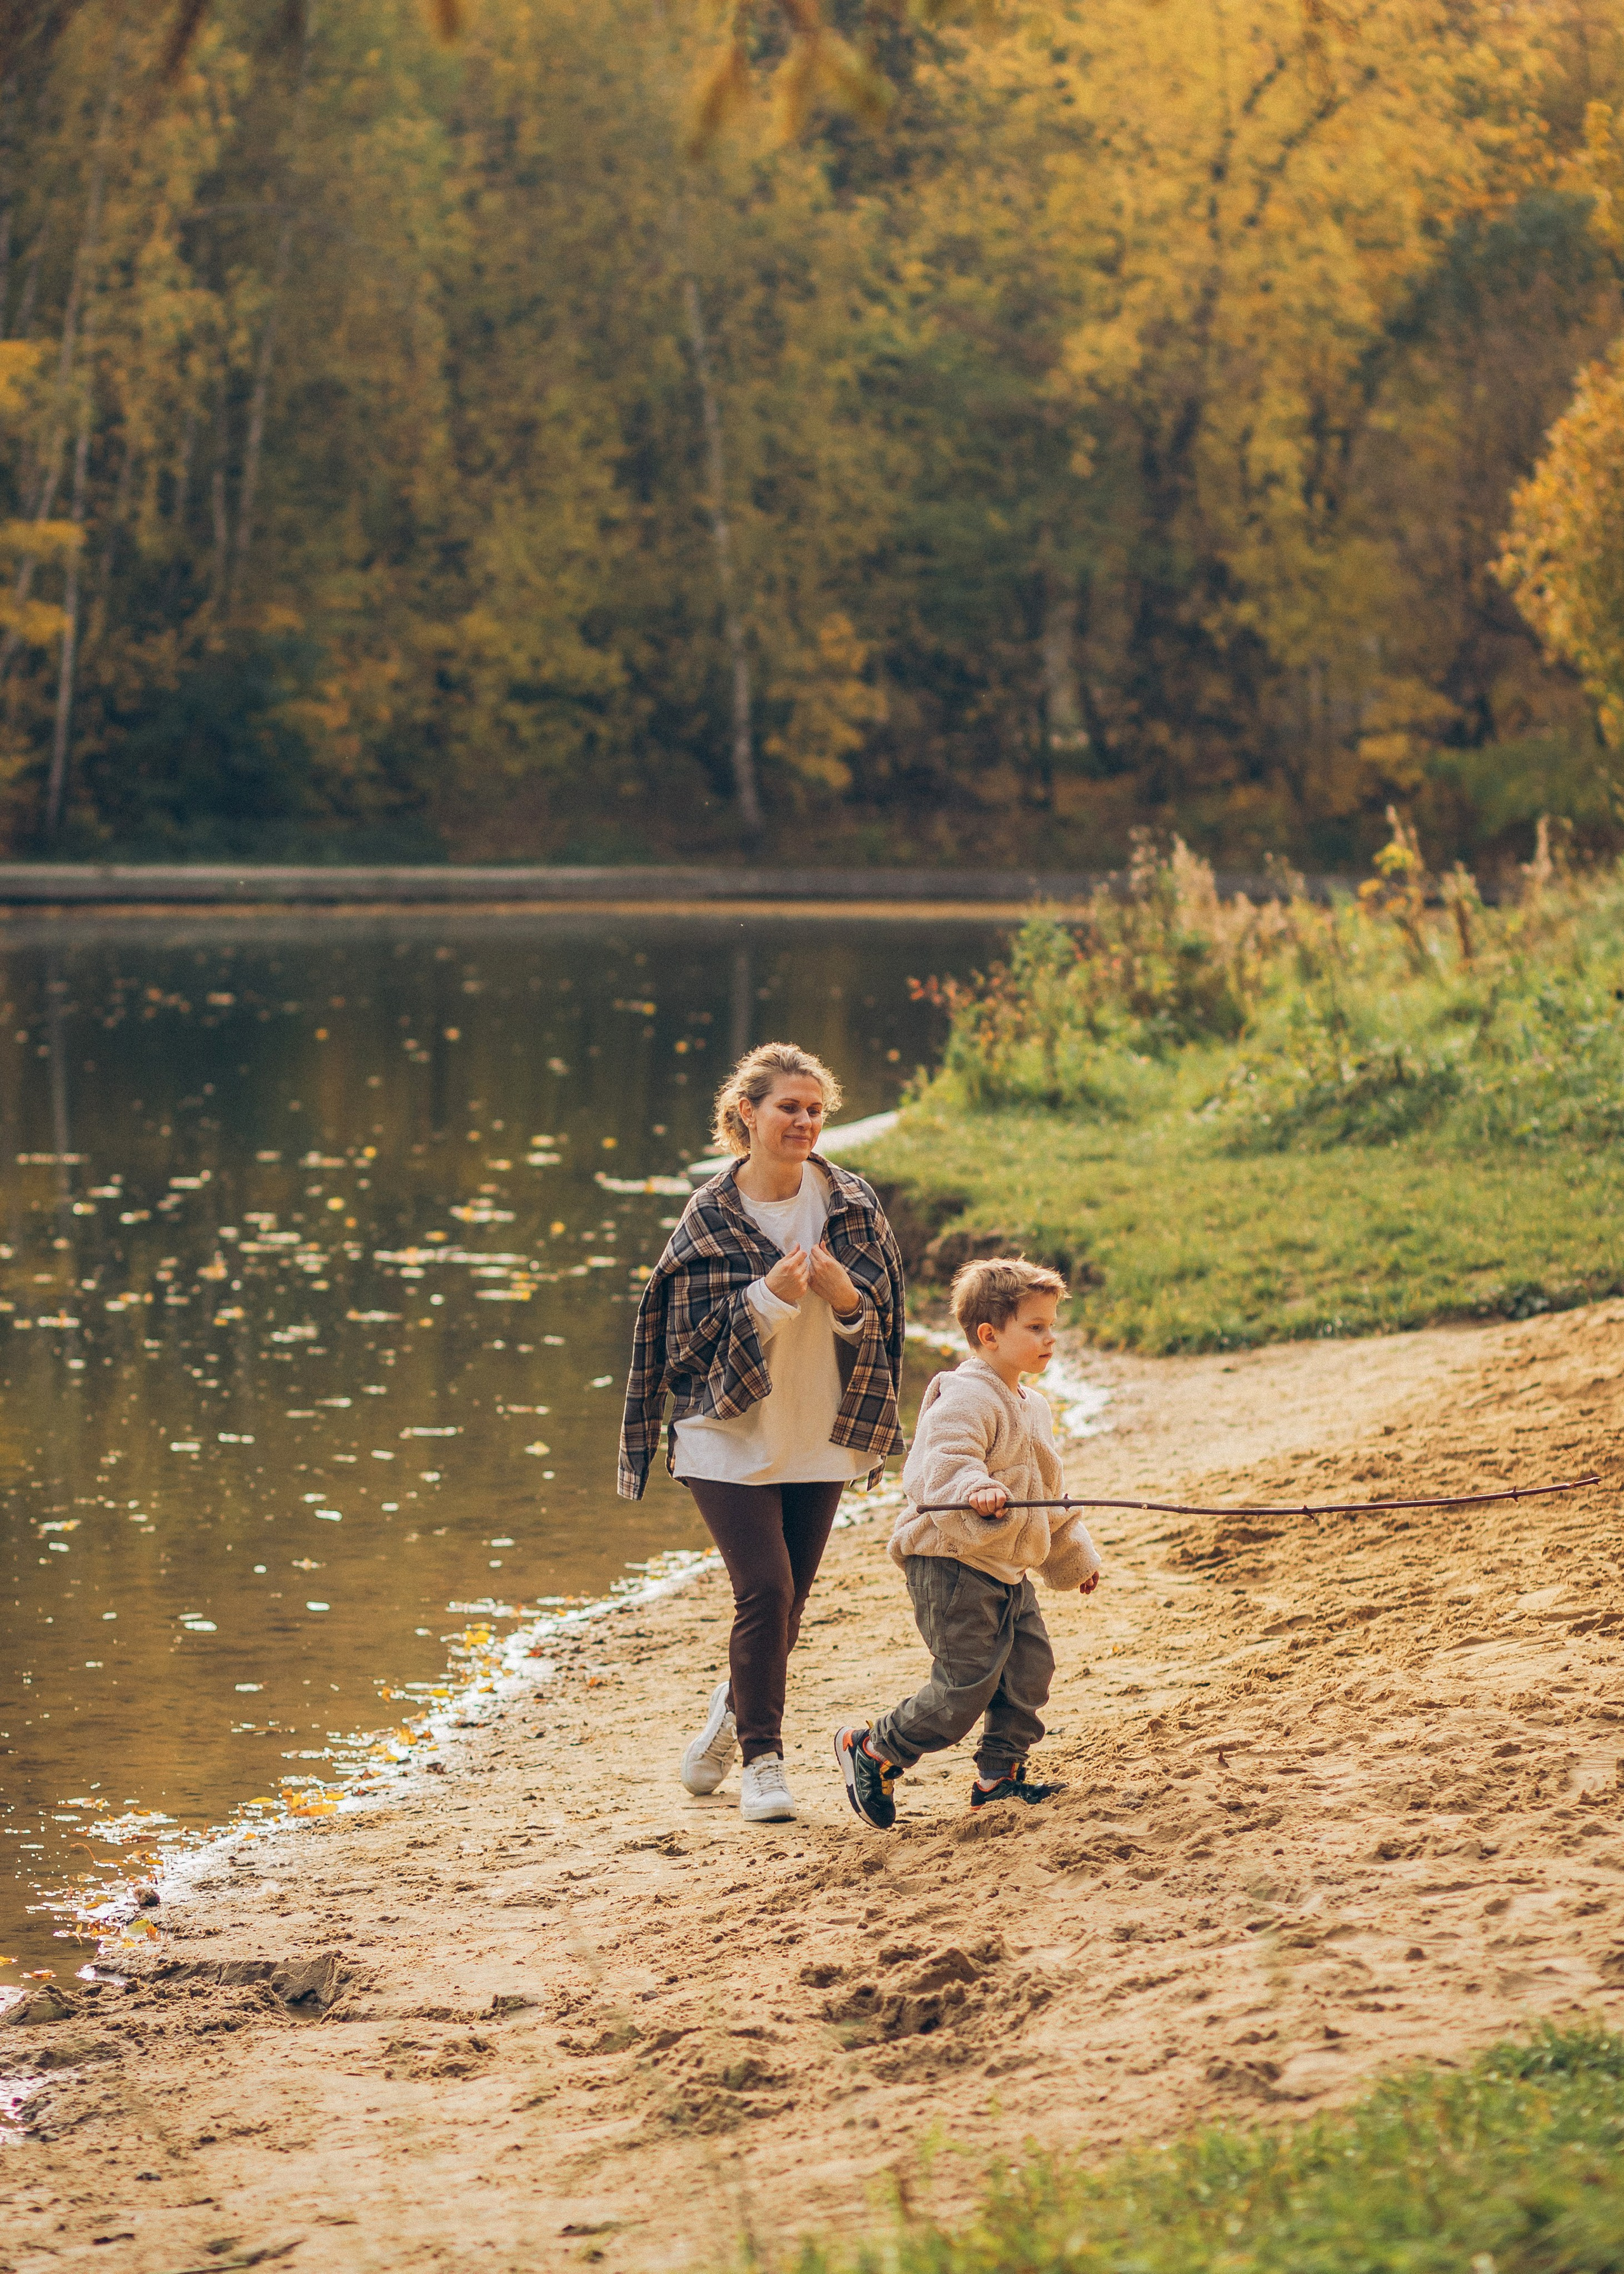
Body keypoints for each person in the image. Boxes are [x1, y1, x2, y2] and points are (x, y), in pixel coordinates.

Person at [618, 1042, 907, 1824]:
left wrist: (847, 1299)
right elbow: (681, 1344)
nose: (804, 1122)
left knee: (787, 1609)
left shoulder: (850, 1202)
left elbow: (881, 1321)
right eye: (789, 1108)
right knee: (765, 1590)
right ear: (748, 1113)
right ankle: (762, 1764)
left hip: (820, 1428)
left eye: (815, 1110)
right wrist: (766, 1298)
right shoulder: (710, 1214)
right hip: (722, 1431)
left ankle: (731, 1712)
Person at [834, 1255, 1101, 1829]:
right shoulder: (964, 1397)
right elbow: (943, 1465)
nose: (1050, 1338)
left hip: (1007, 1569)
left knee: (1029, 1671)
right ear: (989, 1334)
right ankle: (873, 1748)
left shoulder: (1034, 1406)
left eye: (1052, 1325)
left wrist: (1074, 1555)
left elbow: (1047, 1494)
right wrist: (973, 1488)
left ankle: (998, 1778)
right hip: (951, 1564)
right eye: (1035, 1327)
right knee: (964, 1686)